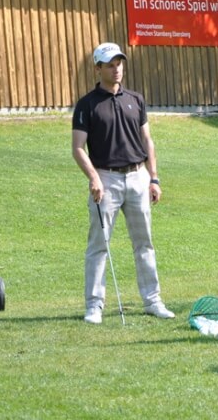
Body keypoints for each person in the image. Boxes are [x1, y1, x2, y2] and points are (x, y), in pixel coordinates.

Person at [72, 42, 174, 324]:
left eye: (119, 63)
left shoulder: (135, 99)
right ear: (98, 68)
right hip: (105, 179)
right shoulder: (87, 104)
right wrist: (93, 178)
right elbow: (78, 147)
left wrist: (154, 178)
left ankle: (153, 301)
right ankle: (94, 306)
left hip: (138, 177)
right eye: (110, 65)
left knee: (145, 243)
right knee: (98, 245)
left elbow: (147, 141)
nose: (116, 69)